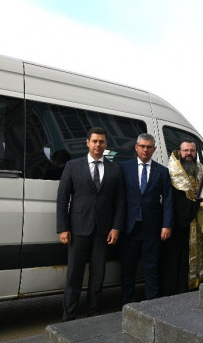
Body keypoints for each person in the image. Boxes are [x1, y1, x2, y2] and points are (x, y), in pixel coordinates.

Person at [56, 127, 125, 321]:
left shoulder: (114, 169)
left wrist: (116, 227)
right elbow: (62, 199)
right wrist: (63, 227)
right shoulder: (72, 166)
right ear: (87, 143)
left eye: (101, 141)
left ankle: (93, 315)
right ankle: (69, 317)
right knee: (74, 276)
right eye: (94, 141)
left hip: (103, 231)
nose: (98, 145)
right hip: (77, 229)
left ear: (106, 144)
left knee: (98, 276)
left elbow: (120, 201)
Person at [119, 133, 173, 304]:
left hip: (152, 229)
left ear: (154, 149)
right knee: (128, 269)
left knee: (151, 268)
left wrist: (167, 225)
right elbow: (118, 198)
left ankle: (152, 305)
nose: (145, 149)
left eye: (149, 147)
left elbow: (168, 200)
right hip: (129, 228)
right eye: (142, 146)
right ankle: (127, 304)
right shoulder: (123, 168)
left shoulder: (162, 171)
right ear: (136, 147)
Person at [159, 138, 203, 296]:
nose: (189, 154)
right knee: (179, 263)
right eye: (186, 150)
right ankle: (179, 292)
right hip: (180, 227)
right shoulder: (172, 172)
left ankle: (197, 288)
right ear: (179, 152)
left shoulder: (200, 169)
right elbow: (175, 201)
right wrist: (198, 206)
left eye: (192, 151)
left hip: (198, 224)